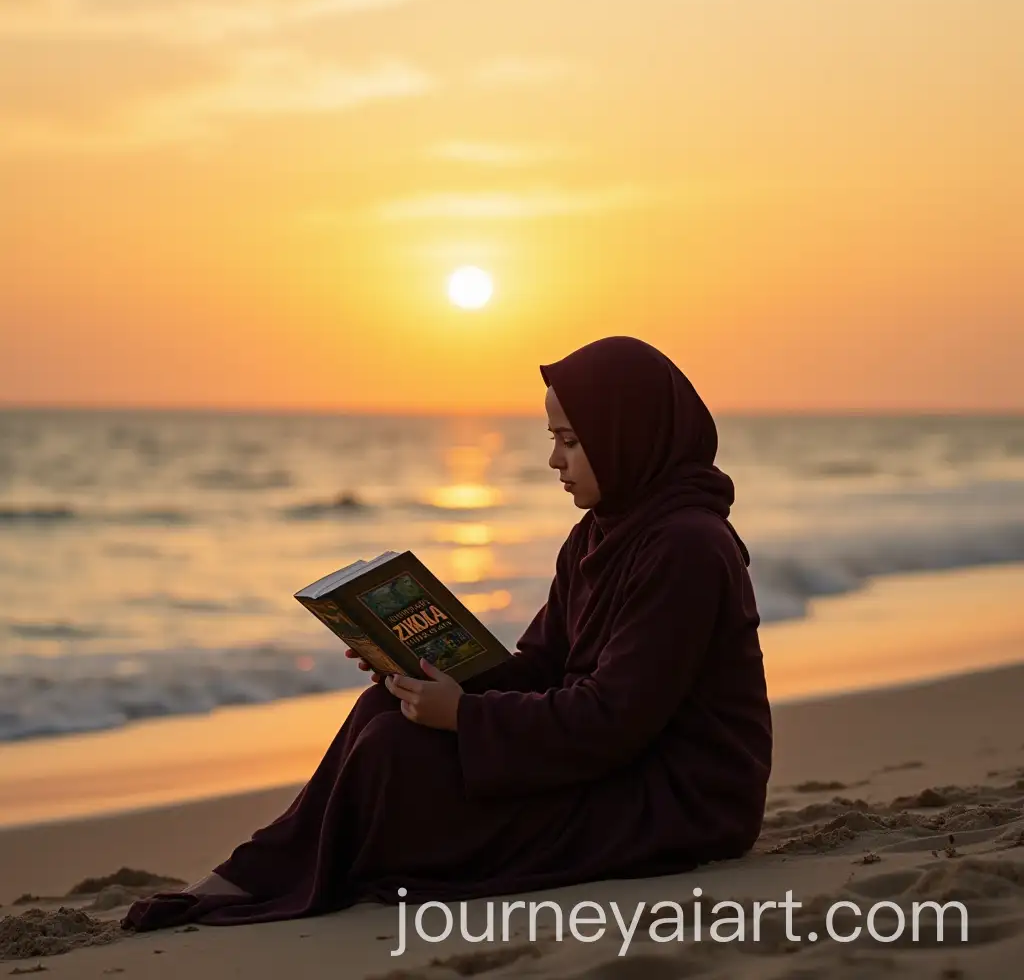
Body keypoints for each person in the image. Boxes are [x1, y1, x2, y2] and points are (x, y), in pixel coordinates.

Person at [123, 335, 772, 931]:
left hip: (680, 796)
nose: (553, 459)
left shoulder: (688, 546)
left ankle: (283, 879)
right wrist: (423, 663)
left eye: (571, 441)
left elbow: (614, 718)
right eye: (554, 438)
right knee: (383, 706)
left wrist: (464, 717)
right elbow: (545, 666)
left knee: (393, 756)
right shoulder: (597, 536)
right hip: (610, 761)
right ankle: (251, 874)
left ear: (627, 434)